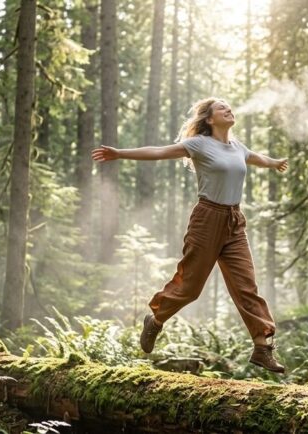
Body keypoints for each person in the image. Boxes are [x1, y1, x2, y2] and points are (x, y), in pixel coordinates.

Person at [91, 97, 289, 373]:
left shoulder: (238, 147)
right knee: (190, 287)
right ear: (209, 119)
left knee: (247, 286)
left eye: (229, 106)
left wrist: (275, 162)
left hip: (234, 222)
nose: (228, 109)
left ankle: (262, 347)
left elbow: (257, 159)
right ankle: (156, 320)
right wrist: (119, 153)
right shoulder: (199, 144)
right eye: (221, 107)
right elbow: (159, 151)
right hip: (207, 220)